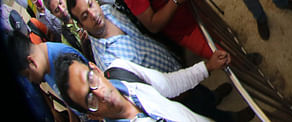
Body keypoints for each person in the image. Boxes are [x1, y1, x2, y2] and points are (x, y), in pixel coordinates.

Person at [53, 50, 236, 121]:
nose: (99, 93)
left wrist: (207, 67)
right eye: (89, 99)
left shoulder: (122, 70)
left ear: (96, 69)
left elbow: (168, 84)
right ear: (92, 115)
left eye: (91, 79)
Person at [67, 0, 181, 72]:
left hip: (171, 59)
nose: (93, 14)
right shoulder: (107, 62)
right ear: (81, 25)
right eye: (85, 16)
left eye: (90, 4)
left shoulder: (108, 10)